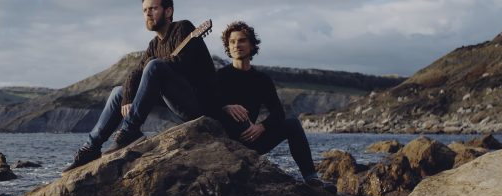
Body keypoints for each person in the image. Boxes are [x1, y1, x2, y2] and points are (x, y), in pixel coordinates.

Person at [63, 0, 218, 172]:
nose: (148, 14)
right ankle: (90, 148)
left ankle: (129, 131)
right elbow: (135, 74)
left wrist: (156, 64)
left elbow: (183, 65)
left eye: (153, 8)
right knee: (118, 92)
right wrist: (127, 98)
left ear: (168, 12)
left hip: (195, 106)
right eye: (144, 10)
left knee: (154, 66)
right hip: (171, 109)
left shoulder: (183, 28)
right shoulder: (154, 44)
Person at [217, 21, 322, 186]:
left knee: (293, 124)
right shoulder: (220, 76)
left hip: (251, 139)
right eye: (232, 42)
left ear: (252, 45)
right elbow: (205, 107)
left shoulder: (262, 80)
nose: (237, 45)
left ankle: (312, 179)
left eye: (242, 40)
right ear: (228, 47)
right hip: (226, 141)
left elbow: (278, 112)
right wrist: (225, 107)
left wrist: (262, 127)